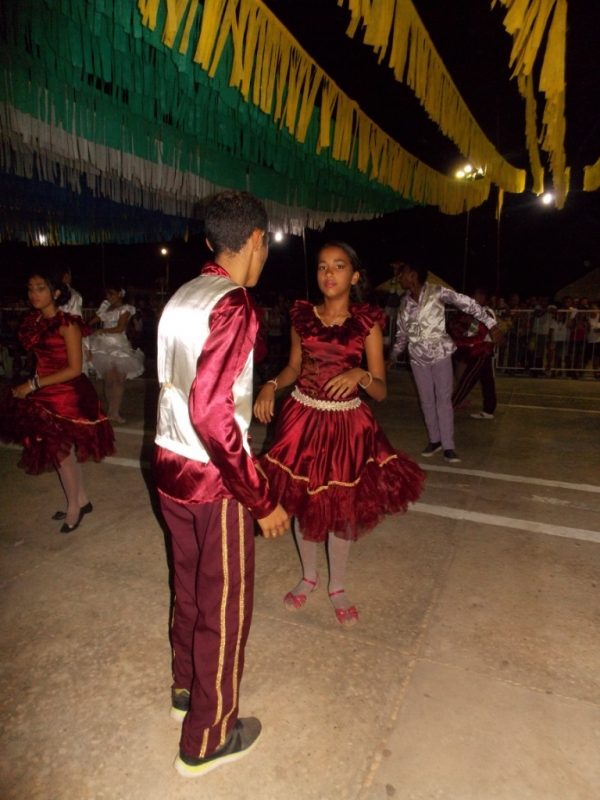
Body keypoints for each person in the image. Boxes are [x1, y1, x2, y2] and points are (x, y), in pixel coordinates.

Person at [152, 191, 290, 779]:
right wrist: (258, 498)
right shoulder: (235, 304)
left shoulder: (185, 293)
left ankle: (187, 685)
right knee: (225, 605)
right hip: (216, 479)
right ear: (256, 239)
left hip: (168, 462)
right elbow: (213, 412)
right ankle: (207, 736)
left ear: (212, 242)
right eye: (266, 244)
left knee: (188, 585)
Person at [253, 241, 425, 628]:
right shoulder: (303, 316)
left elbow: (380, 388)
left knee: (341, 509)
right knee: (305, 503)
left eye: (339, 266)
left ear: (355, 275)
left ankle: (338, 586)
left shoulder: (367, 322)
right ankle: (309, 576)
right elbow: (294, 369)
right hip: (301, 421)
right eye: (322, 267)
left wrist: (361, 375)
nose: (329, 274)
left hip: (347, 426)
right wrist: (270, 385)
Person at [0, 271, 115, 532]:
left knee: (62, 454)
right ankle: (81, 500)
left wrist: (32, 384)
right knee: (55, 452)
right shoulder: (35, 321)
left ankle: (75, 506)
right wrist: (34, 385)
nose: (33, 294)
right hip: (43, 391)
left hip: (66, 395)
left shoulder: (68, 324)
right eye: (30, 289)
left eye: (40, 288)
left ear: (55, 293)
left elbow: (75, 368)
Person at [389, 262, 501, 463]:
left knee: (443, 399)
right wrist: (393, 356)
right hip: (417, 357)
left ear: (413, 275)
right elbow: (402, 335)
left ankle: (448, 445)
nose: (401, 277)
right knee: (426, 400)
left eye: (403, 273)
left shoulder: (437, 292)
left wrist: (492, 325)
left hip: (440, 353)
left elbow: (469, 304)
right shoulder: (405, 303)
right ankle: (435, 440)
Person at [86, 285, 144, 423]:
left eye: (111, 294)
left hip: (119, 344)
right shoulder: (105, 307)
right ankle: (111, 411)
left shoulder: (126, 308)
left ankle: (115, 411)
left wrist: (101, 331)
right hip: (104, 345)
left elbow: (120, 328)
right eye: (107, 295)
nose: (109, 297)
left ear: (120, 293)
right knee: (109, 379)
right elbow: (92, 321)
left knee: (119, 379)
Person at [449, 287, 498, 420]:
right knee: (487, 382)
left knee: (467, 381)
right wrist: (462, 327)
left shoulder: (485, 311)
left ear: (482, 297)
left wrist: (468, 325)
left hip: (481, 351)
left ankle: (449, 408)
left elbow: (483, 332)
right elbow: (472, 332)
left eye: (475, 295)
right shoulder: (477, 312)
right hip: (480, 351)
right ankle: (489, 410)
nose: (472, 298)